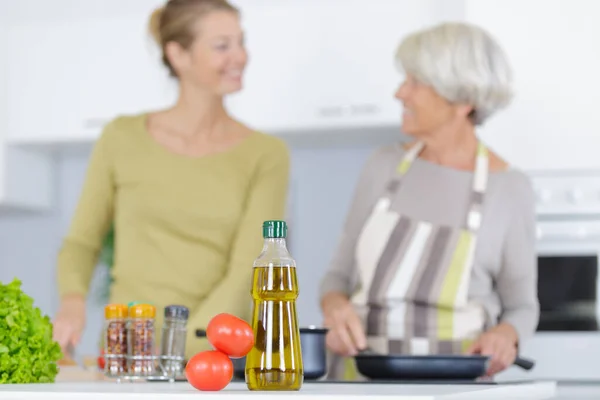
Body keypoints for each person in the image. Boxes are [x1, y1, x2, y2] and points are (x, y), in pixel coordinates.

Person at [52, 0, 290, 360]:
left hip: (211, 357)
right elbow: (81, 243)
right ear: (178, 55)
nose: (240, 56)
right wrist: (72, 301)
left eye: (241, 42)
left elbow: (248, 270)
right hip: (129, 351)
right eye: (222, 45)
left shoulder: (266, 154)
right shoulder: (121, 138)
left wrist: (179, 353)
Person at [319, 22, 539, 379]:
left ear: (463, 100)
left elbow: (522, 307)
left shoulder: (510, 189)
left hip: (456, 384)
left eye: (415, 82)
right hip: (359, 379)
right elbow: (336, 276)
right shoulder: (383, 166)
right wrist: (335, 307)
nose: (400, 93)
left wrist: (506, 334)